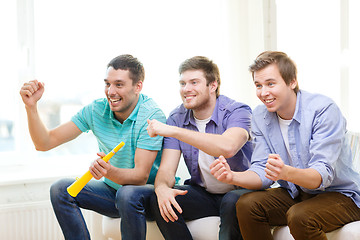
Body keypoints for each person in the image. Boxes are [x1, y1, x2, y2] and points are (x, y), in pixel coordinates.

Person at [210, 51, 360, 240]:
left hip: (341, 195)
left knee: (300, 217)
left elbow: (321, 175)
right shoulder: (259, 116)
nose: (264, 93)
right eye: (258, 85)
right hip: (297, 192)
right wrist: (232, 176)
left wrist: (285, 172)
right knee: (246, 204)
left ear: (292, 82)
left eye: (271, 84)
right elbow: (261, 171)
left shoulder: (323, 110)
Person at [19, 54, 166, 240]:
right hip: (115, 194)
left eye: (119, 84)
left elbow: (140, 176)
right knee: (61, 190)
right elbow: (44, 143)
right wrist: (31, 107)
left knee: (128, 193)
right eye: (107, 84)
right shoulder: (97, 109)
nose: (110, 91)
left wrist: (108, 171)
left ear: (138, 87)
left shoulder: (151, 115)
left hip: (146, 197)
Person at [146, 56, 253, 240]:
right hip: (205, 194)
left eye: (194, 82)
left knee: (231, 200)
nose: (186, 89)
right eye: (182, 83)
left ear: (213, 85)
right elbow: (166, 170)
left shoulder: (237, 111)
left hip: (242, 191)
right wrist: (162, 188)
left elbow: (228, 147)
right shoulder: (177, 117)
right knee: (161, 201)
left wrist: (175, 131)